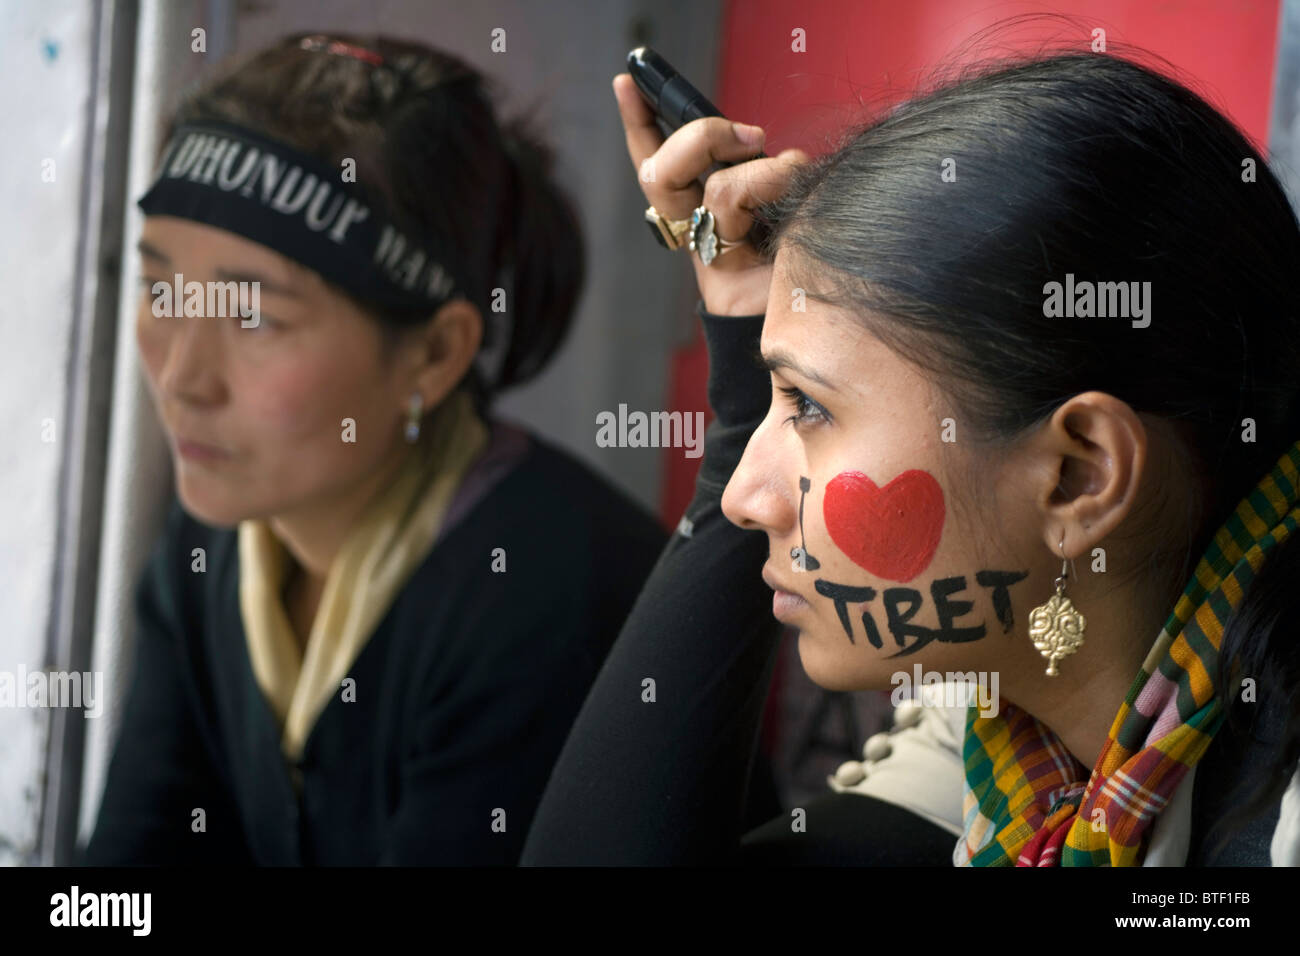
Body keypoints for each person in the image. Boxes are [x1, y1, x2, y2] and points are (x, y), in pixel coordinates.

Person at [521, 48, 1300, 866]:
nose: (746, 499)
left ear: (1078, 475)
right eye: (775, 403)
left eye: (810, 409)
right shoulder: (1007, 739)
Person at [81, 33, 666, 865]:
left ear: (432, 354)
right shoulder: (211, 547)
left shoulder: (551, 601)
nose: (180, 376)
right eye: (160, 288)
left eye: (254, 315)